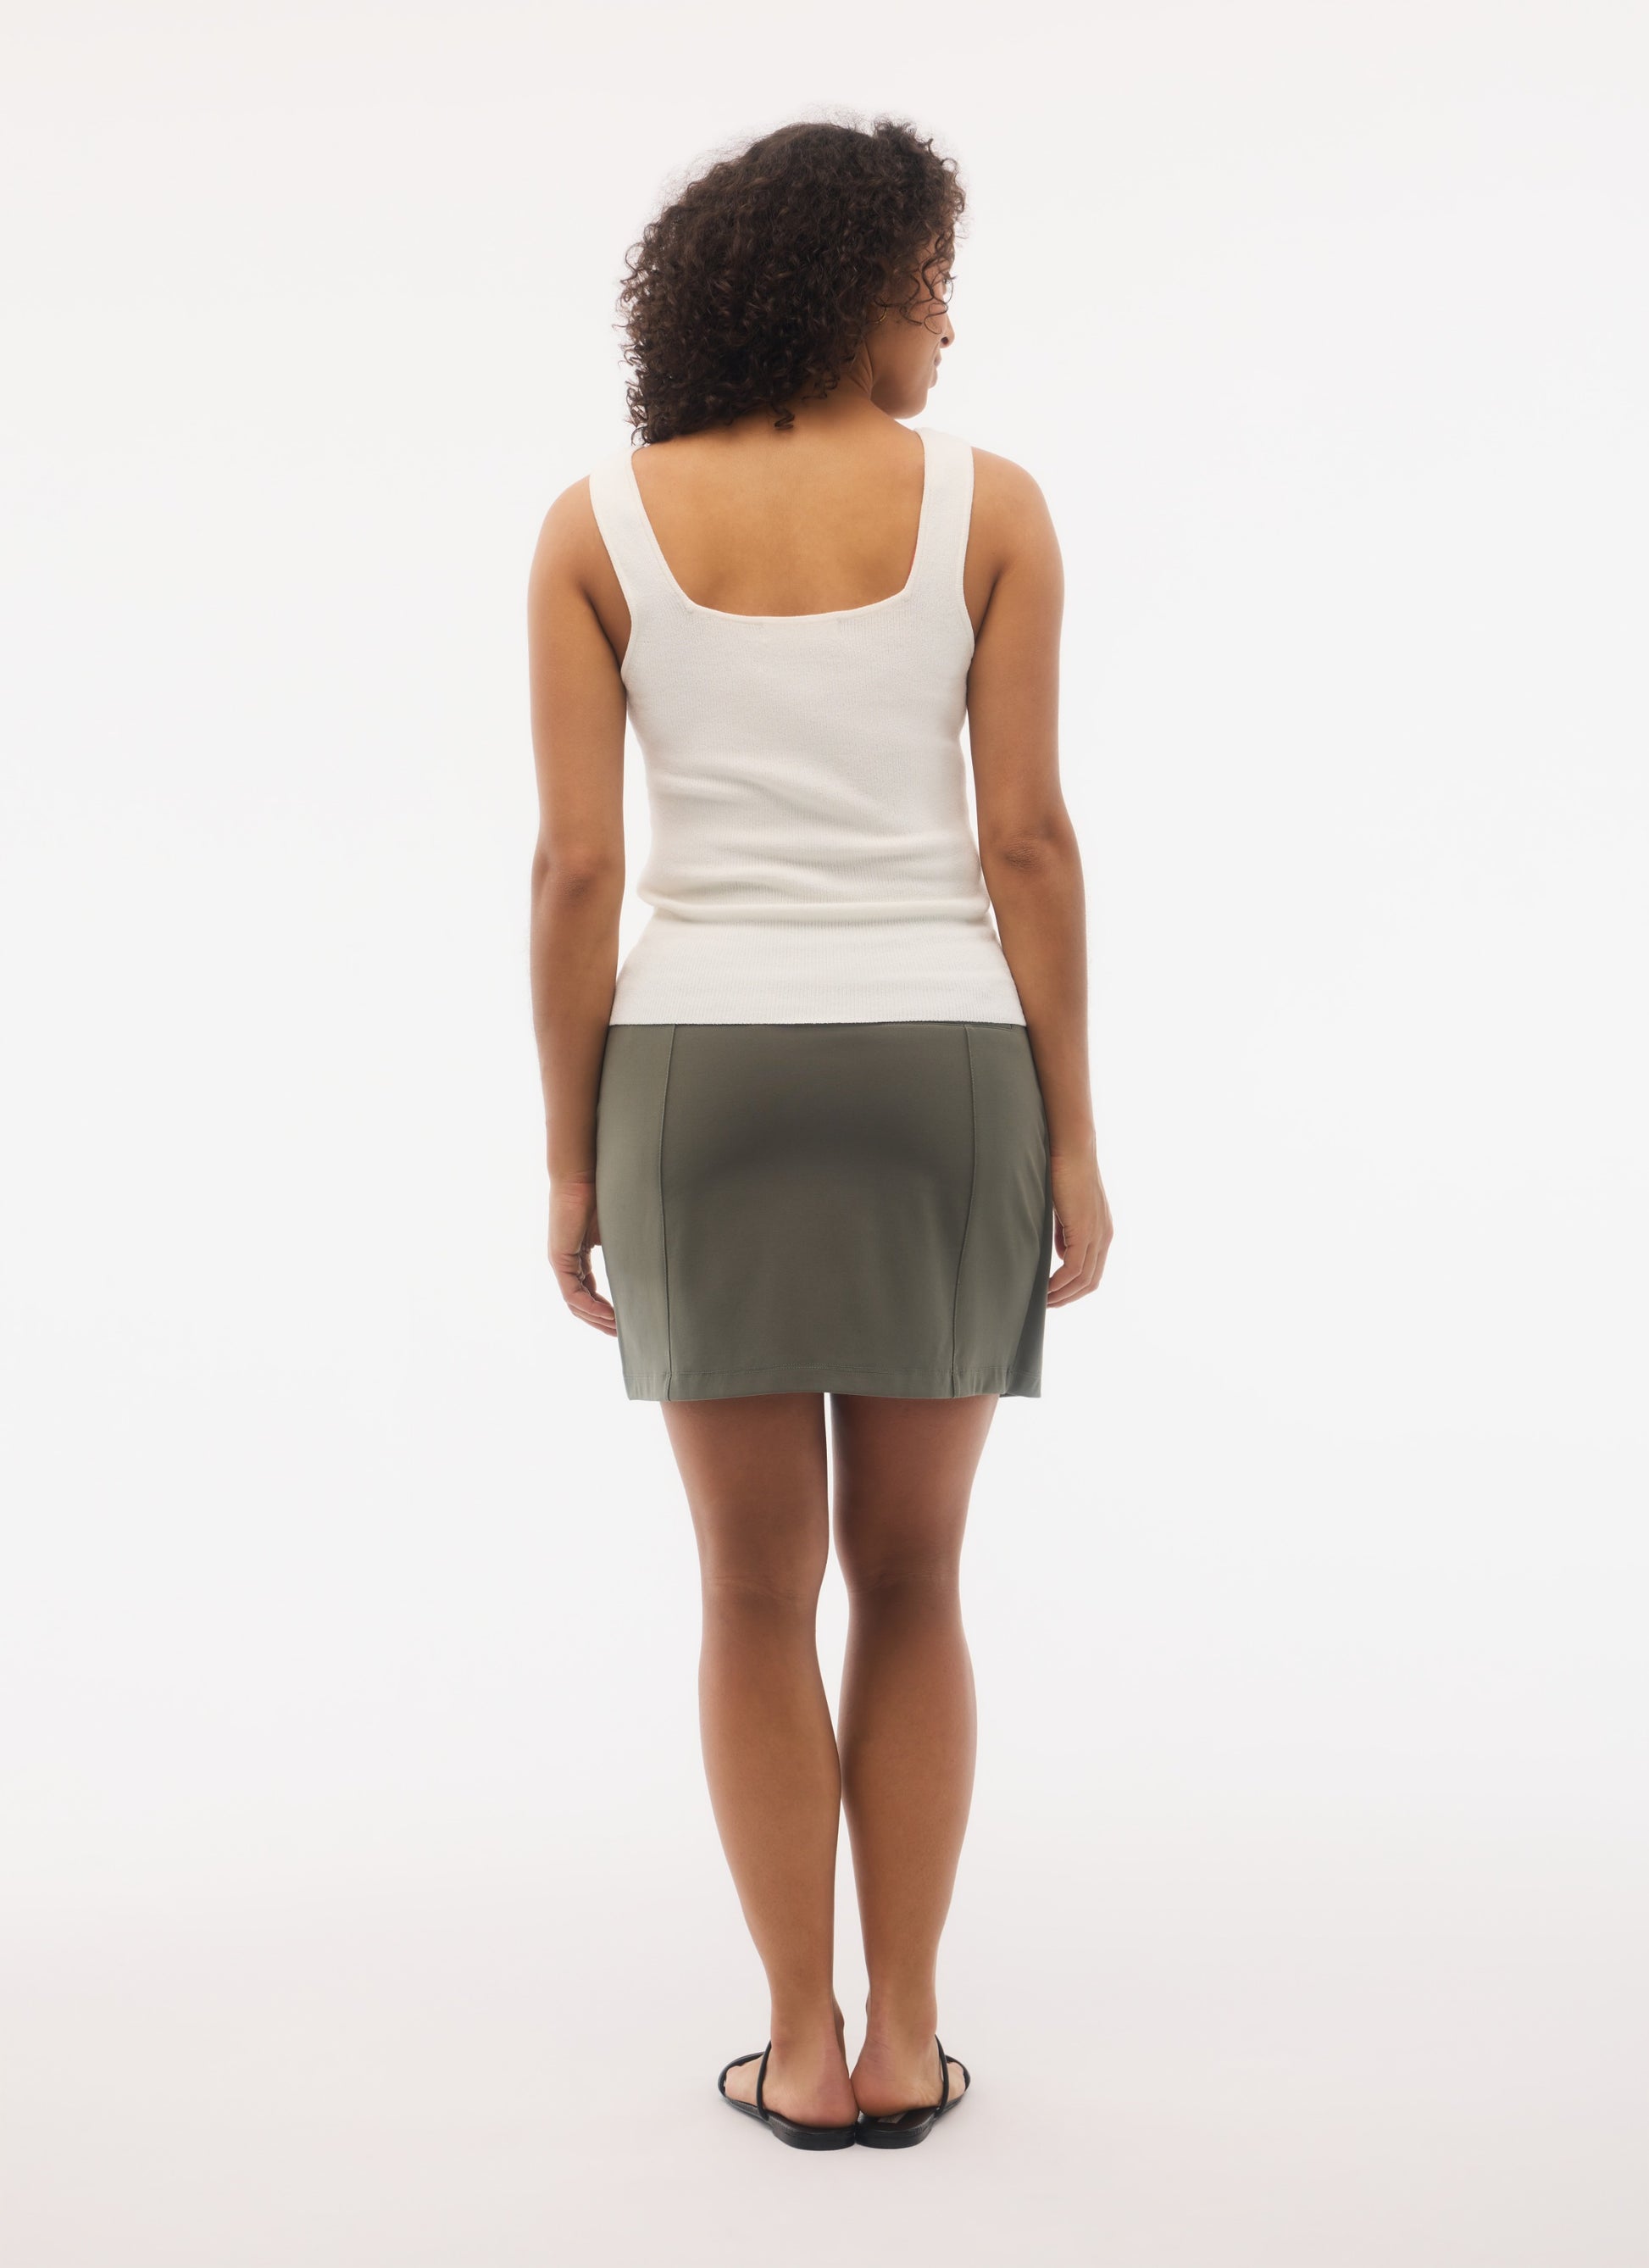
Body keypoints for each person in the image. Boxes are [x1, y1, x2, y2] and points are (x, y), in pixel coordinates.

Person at [526, 115, 1112, 2151]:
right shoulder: (992, 508)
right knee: (917, 1577)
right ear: (855, 287)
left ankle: (795, 2043)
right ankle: (907, 2036)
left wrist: (570, 1159)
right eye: (931, 286)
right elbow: (1024, 843)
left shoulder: (598, 524)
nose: (945, 327)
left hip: (701, 1077)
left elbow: (577, 873)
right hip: (941, 1065)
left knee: (749, 1589)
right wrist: (1076, 1138)